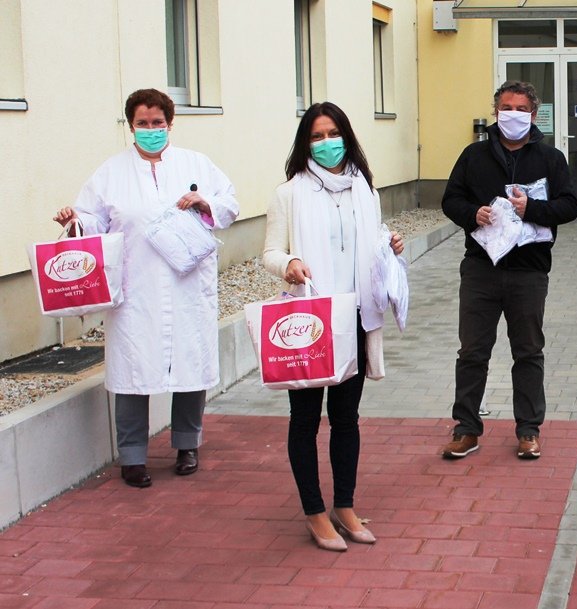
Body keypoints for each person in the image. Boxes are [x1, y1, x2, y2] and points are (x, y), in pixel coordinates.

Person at [54, 88, 239, 489]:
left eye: (158, 123)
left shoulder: (197, 164)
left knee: (190, 365)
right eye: (143, 123)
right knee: (132, 371)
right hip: (136, 289)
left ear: (170, 123)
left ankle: (187, 445)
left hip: (187, 284)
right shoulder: (110, 172)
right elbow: (91, 222)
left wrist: (204, 202)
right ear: (131, 126)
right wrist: (74, 220)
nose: (151, 130)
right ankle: (133, 456)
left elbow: (230, 203)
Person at [262, 102, 405, 552]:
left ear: (347, 135)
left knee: (346, 419)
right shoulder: (289, 193)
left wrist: (390, 243)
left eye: (333, 133)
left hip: (357, 318)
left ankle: (344, 504)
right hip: (312, 323)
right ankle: (314, 511)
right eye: (317, 136)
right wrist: (289, 262)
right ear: (306, 142)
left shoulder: (365, 188)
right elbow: (269, 252)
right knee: (305, 420)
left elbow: (372, 237)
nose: (327, 143)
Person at [440, 81, 577, 460]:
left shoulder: (551, 159)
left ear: (533, 115)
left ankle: (528, 429)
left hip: (529, 272)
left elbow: (569, 207)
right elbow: (450, 199)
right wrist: (473, 214)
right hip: (481, 269)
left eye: (520, 108)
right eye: (505, 107)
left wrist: (530, 210)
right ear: (495, 111)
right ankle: (467, 428)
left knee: (528, 351)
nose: (511, 114)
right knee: (472, 351)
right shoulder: (474, 155)